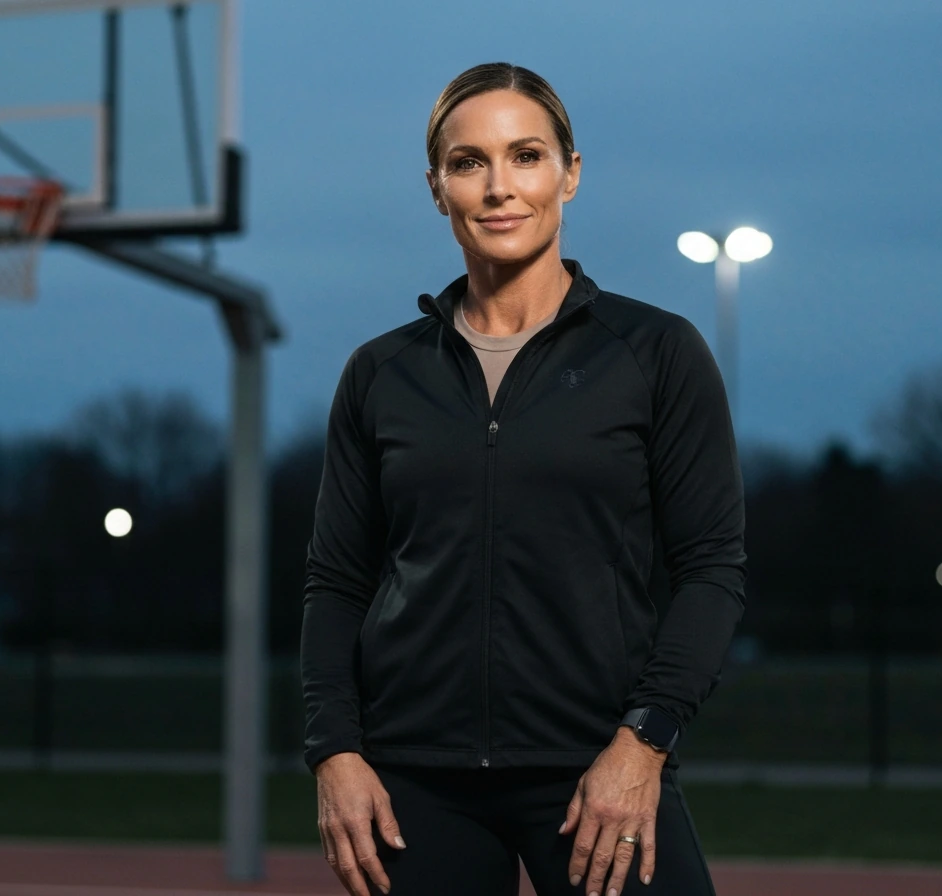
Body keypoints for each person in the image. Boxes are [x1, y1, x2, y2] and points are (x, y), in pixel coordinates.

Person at [300, 62, 745, 896]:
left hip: (596, 768)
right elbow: (336, 582)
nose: (500, 187)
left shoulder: (654, 353)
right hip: (415, 778)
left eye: (526, 156)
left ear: (570, 173)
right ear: (437, 188)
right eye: (469, 162)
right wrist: (335, 750)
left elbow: (713, 571)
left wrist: (643, 742)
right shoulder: (382, 372)